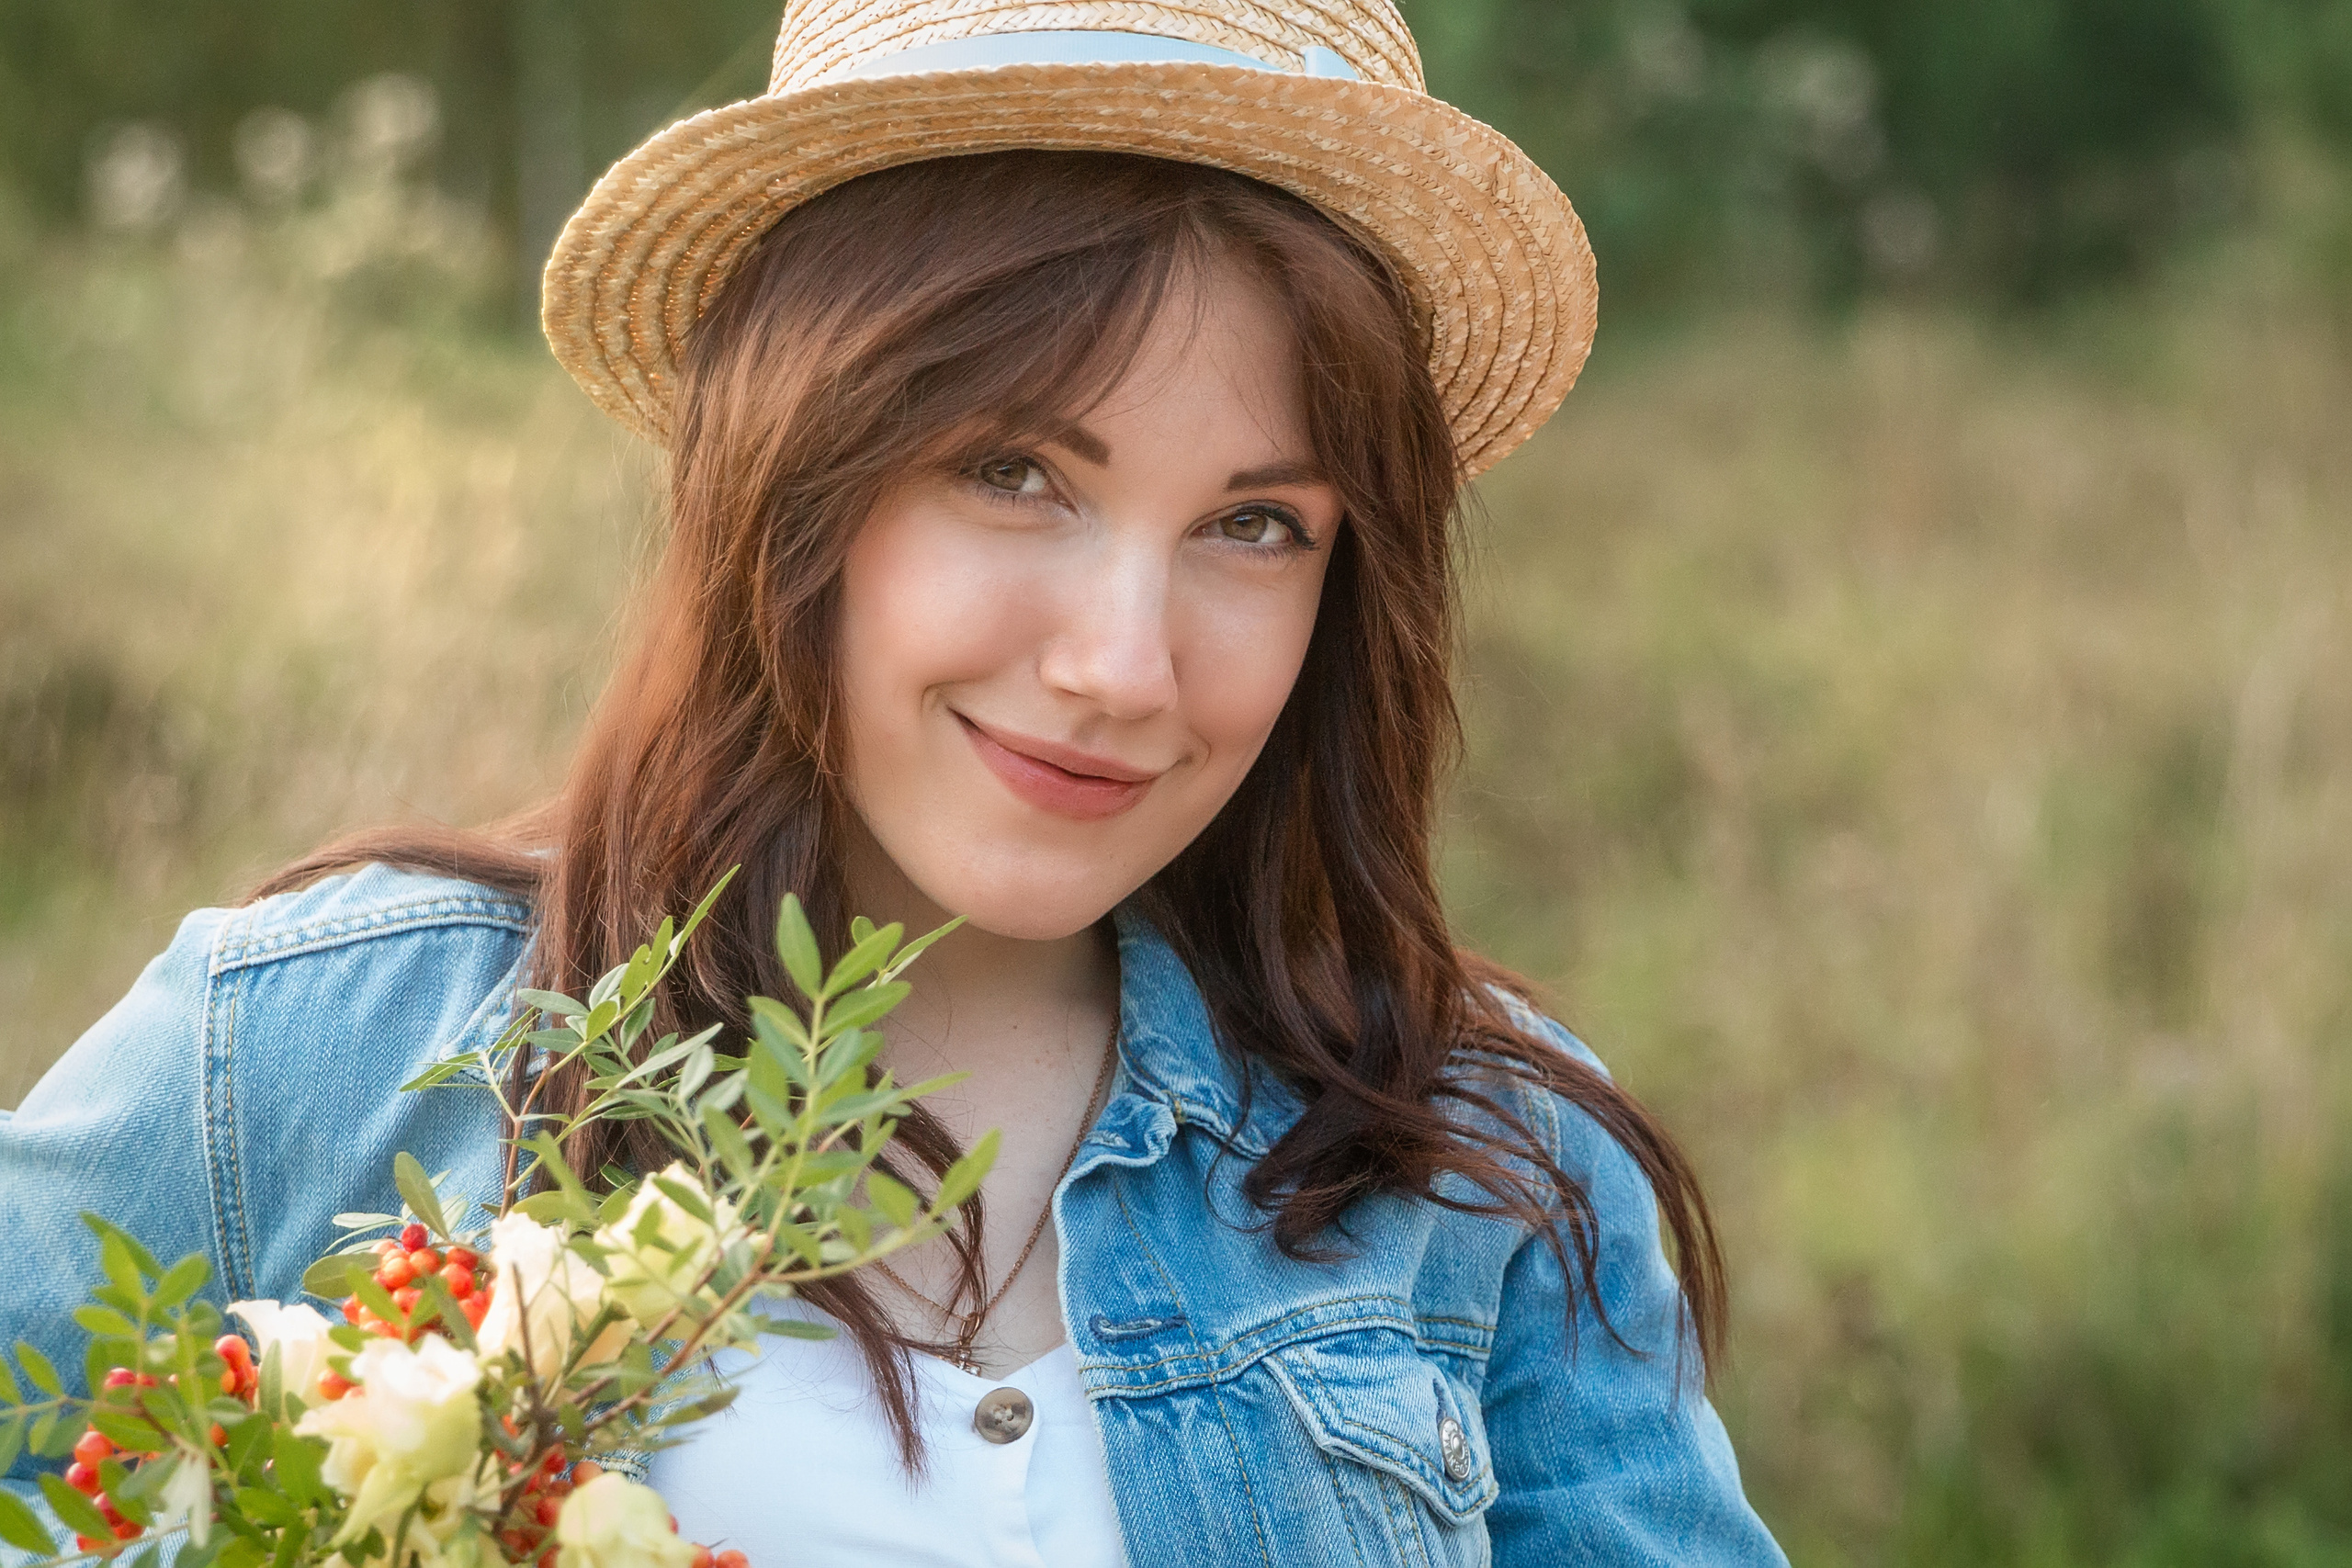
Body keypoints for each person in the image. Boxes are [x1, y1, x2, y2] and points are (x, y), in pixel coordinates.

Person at [2, 1, 1787, 1562]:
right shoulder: (319, 1046)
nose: (1120, 662)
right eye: (1015, 472)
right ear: (798, 479)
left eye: (1254, 523)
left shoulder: (1483, 1152)